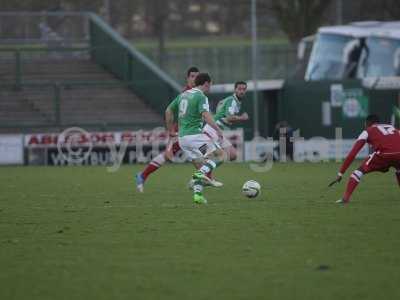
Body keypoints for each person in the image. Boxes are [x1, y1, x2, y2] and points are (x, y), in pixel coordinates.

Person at [136, 67, 199, 192]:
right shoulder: (186, 93)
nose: (195, 79)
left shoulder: (197, 93)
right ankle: (142, 175)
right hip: (183, 131)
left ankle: (199, 180)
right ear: (187, 78)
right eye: (192, 76)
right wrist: (173, 131)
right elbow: (172, 111)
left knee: (199, 156)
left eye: (197, 76)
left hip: (191, 131)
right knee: (169, 155)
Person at [166, 73, 225, 204]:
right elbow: (205, 116)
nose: (210, 87)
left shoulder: (183, 94)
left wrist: (171, 130)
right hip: (195, 136)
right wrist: (218, 129)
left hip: (182, 139)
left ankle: (197, 195)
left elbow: (168, 110)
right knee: (220, 156)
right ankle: (200, 175)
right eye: (210, 84)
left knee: (201, 165)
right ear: (206, 83)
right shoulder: (201, 96)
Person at [329, 114, 400, 204]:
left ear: (367, 123)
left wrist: (340, 173)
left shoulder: (367, 131)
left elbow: (352, 154)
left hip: (383, 155)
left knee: (358, 172)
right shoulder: (392, 127)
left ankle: (345, 198)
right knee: (399, 170)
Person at [202, 81, 249, 162]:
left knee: (233, 155)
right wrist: (242, 118)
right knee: (218, 155)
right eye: (239, 89)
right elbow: (229, 118)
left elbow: (220, 105)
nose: (242, 91)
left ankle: (206, 165)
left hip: (218, 131)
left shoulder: (234, 101)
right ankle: (205, 169)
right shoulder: (232, 101)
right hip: (212, 130)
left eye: (244, 89)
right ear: (235, 90)